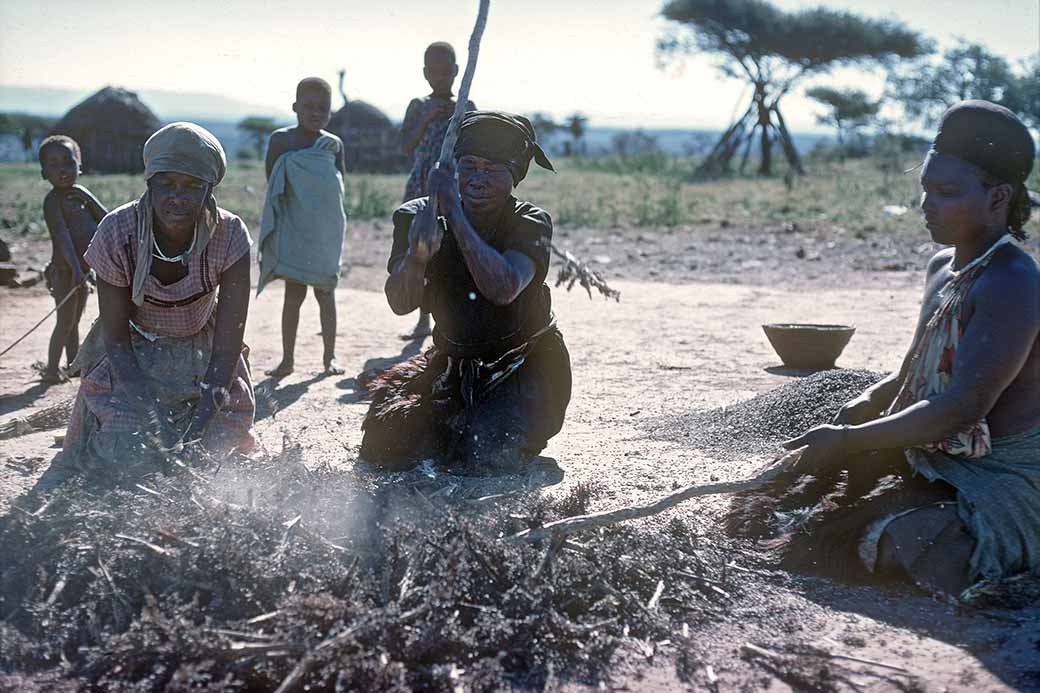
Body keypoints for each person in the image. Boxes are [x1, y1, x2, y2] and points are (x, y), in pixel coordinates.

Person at [729, 101, 1040, 597]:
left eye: (947, 192)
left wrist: (852, 442)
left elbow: (961, 409)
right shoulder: (943, 267)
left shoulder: (1013, 281)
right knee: (776, 492)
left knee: (898, 539)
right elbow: (909, 375)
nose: (926, 205)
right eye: (925, 190)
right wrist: (855, 415)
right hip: (933, 450)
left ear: (998, 196)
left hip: (995, 473)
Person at [362, 111, 571, 471]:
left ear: (514, 178)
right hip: (453, 366)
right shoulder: (417, 217)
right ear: (455, 168)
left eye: (493, 169)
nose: (477, 178)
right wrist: (416, 257)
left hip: (526, 367)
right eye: (470, 165)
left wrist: (456, 217)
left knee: (485, 454)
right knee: (384, 446)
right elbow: (400, 303)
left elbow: (503, 288)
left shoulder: (530, 222)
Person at [49, 122, 255, 486]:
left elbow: (226, 346)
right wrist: (152, 419)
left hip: (204, 356)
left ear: (210, 189)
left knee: (211, 456)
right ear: (149, 183)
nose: (178, 196)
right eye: (166, 184)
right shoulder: (118, 231)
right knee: (125, 454)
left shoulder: (230, 235)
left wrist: (198, 424)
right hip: (134, 355)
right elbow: (115, 340)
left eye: (192, 185)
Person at [259, 77, 347, 377]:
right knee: (293, 296)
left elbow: (337, 188)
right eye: (308, 106)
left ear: (330, 111)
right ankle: (287, 360)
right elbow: (273, 181)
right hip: (295, 228)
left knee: (326, 293)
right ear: (295, 106)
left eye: (322, 108)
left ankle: (329, 358)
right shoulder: (281, 140)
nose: (315, 113)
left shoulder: (333, 145)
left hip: (324, 232)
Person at [399, 42, 476, 339]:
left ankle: (452, 321)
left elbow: (472, 149)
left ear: (457, 72)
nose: (441, 77)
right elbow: (406, 146)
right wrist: (429, 117)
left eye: (447, 71)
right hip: (421, 189)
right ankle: (423, 320)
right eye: (434, 72)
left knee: (452, 253)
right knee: (422, 252)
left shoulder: (466, 106)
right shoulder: (418, 106)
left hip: (453, 191)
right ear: (425, 73)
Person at [38, 135, 108, 384]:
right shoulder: (52, 201)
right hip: (65, 271)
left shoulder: (80, 193)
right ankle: (51, 370)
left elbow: (106, 219)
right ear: (44, 172)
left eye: (68, 162)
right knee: (64, 320)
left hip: (83, 271)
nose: (62, 170)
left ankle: (73, 365)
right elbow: (62, 237)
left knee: (74, 321)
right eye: (53, 165)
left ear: (80, 165)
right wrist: (76, 270)